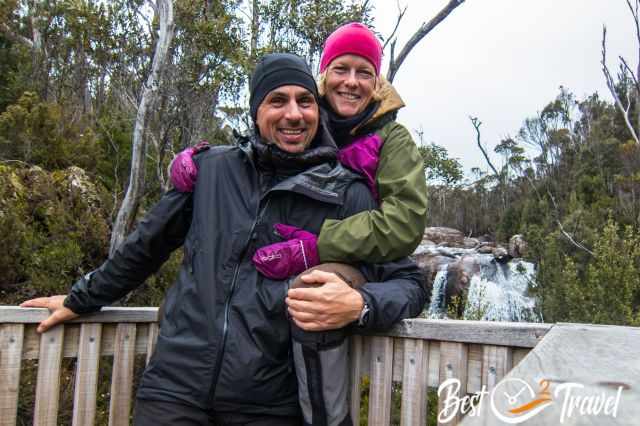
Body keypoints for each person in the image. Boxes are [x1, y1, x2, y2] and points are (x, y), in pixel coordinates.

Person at [21, 53, 426, 426]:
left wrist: (361, 304)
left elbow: (410, 282)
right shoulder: (210, 171)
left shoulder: (347, 193)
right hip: (173, 391)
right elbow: (146, 246)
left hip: (268, 405)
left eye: (305, 101)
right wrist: (81, 298)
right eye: (277, 101)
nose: (293, 114)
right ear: (256, 110)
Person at [171, 22, 429, 281]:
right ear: (325, 75)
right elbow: (262, 144)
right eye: (341, 69)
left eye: (363, 72)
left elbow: (405, 223)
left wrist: (318, 247)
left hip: (360, 272)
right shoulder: (304, 119)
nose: (351, 82)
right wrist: (200, 160)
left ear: (376, 83)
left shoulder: (392, 140)